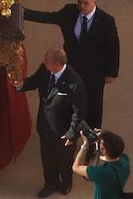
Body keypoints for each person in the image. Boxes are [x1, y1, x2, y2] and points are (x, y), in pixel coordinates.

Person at [23, 0, 120, 129]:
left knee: (93, 103)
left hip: (94, 71)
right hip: (72, 66)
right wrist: (22, 12)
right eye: (79, 2)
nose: (81, 6)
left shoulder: (106, 21)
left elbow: (113, 48)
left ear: (94, 0)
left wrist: (112, 72)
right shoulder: (69, 12)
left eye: (85, 3)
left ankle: (93, 136)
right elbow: (48, 17)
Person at [16, 47, 87, 199]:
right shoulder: (45, 70)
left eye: (47, 61)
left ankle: (66, 183)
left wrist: (71, 133)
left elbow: (78, 112)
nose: (44, 63)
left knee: (64, 161)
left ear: (57, 64)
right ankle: (50, 184)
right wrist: (20, 85)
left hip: (63, 132)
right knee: (47, 160)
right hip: (45, 127)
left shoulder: (74, 83)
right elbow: (34, 81)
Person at [72, 130, 130, 199]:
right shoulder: (125, 161)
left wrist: (85, 145)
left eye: (101, 144)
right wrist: (105, 137)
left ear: (104, 151)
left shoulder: (101, 173)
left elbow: (75, 167)